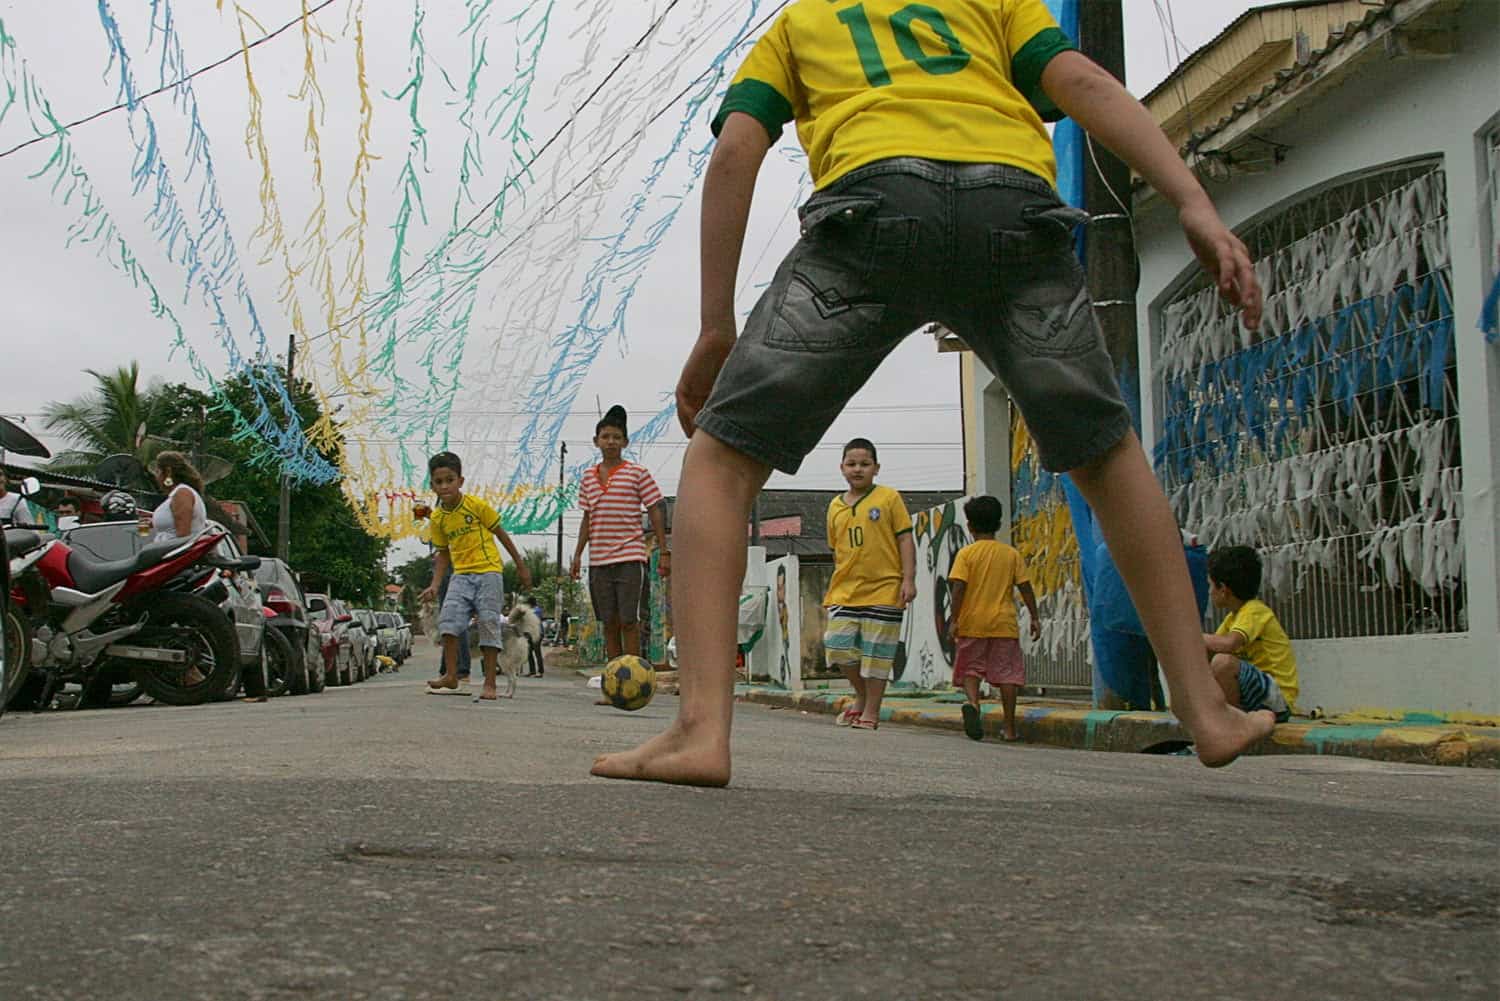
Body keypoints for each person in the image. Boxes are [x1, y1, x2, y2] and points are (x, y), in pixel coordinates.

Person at [591, 0, 1271, 786]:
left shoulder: (801, 22)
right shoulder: (992, 2)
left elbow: (737, 148)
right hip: (1014, 212)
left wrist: (717, 326)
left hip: (872, 209)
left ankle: (701, 730)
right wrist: (1193, 202)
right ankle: (1206, 708)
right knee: (1106, 454)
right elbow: (1086, 84)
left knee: (720, 458)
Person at [417, 452, 531, 701]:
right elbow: (443, 554)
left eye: (450, 480)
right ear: (432, 485)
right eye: (439, 482)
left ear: (460, 481)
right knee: (448, 622)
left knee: (489, 624)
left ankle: (490, 683)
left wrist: (520, 565)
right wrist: (435, 584)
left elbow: (501, 534)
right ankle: (451, 675)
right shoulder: (437, 518)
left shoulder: (476, 506)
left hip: (488, 572)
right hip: (461, 575)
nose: (445, 486)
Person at [823, 439, 915, 731]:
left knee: (877, 655)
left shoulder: (889, 498)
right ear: (842, 468)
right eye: (851, 464)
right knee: (836, 645)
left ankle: (871, 712)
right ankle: (861, 694)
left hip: (885, 588)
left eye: (864, 464)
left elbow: (905, 538)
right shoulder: (835, 506)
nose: (857, 469)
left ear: (876, 468)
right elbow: (836, 549)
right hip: (845, 591)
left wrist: (908, 579)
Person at [570, 406, 670, 661]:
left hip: (630, 558)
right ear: (596, 441)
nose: (611, 442)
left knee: (629, 621)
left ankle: (633, 675)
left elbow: (656, 508)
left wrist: (664, 550)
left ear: (625, 442)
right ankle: (614, 675)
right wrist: (578, 554)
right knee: (609, 622)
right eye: (606, 437)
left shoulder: (637, 473)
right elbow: (587, 518)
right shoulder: (588, 478)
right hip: (598, 561)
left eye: (616, 437)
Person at [946, 496, 1039, 742]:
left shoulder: (966, 554)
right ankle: (1009, 728)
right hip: (1003, 624)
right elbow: (1025, 587)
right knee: (1008, 675)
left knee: (971, 669)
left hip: (972, 623)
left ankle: (973, 704)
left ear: (969, 526)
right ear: (998, 524)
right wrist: (1034, 617)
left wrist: (954, 619)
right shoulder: (1011, 554)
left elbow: (958, 588)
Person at [1203, 546, 1298, 724]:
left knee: (1223, 663)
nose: (1209, 592)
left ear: (1223, 589)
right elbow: (1210, 649)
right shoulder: (1233, 618)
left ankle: (1233, 723)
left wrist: (1193, 636)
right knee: (1205, 657)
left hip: (1277, 699)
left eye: (1210, 585)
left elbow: (1229, 644)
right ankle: (1228, 717)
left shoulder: (1254, 611)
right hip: (1256, 696)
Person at [146, 451, 207, 542]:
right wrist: (154, 521)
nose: (156, 477)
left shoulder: (182, 494)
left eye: (158, 472)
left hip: (174, 550)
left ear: (168, 471)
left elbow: (183, 536)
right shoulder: (177, 494)